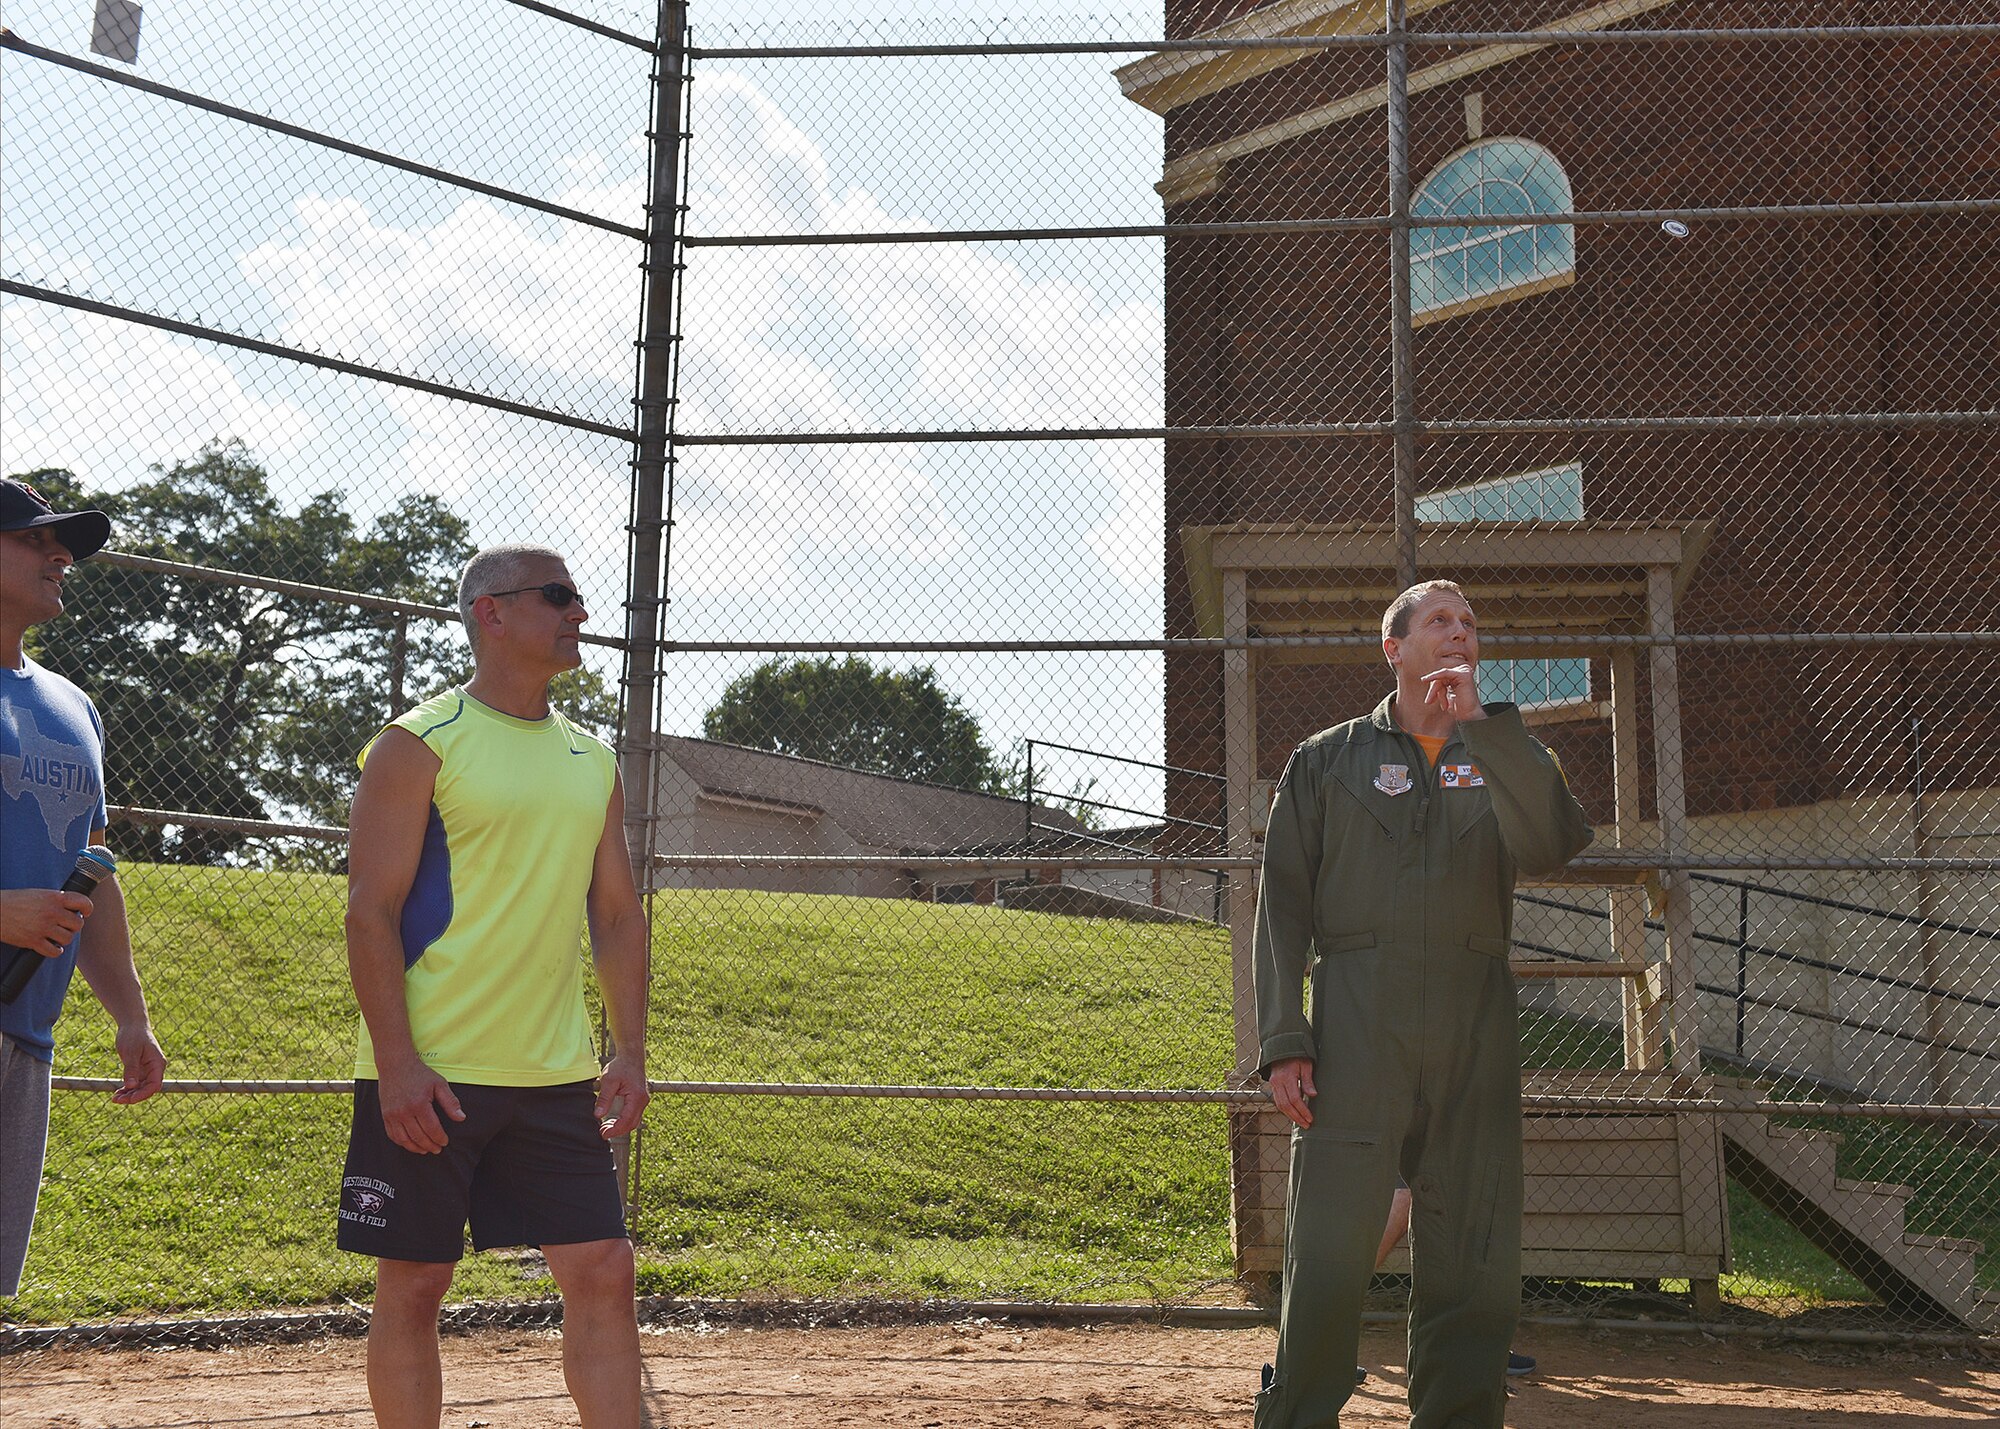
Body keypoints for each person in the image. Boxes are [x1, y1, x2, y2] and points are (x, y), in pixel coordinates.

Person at [1251, 580, 1589, 1428]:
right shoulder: (1326, 759)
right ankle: (1296, 1412)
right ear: (1393, 647)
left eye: (1471, 623)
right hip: (1358, 1019)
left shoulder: (1509, 753)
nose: (1460, 633)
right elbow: (1282, 904)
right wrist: (1284, 1035)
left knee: (1473, 1244)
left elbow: (1552, 846)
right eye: (1440, 620)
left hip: (1475, 1021)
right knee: (1329, 1241)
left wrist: (1487, 725)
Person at [340, 544, 650, 1428]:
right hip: (432, 1069)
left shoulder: (592, 759)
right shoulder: (416, 743)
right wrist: (396, 1064)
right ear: (491, 612)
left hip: (555, 1073)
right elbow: (370, 912)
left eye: (578, 598)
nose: (578, 613)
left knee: (603, 1268)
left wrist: (627, 1049)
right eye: (558, 596)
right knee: (416, 1281)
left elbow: (619, 917)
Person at [0, 478, 167, 1298]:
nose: (60, 555)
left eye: (61, 543)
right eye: (35, 539)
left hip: (27, 1033)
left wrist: (130, 1014)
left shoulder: (75, 707)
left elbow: (91, 872)